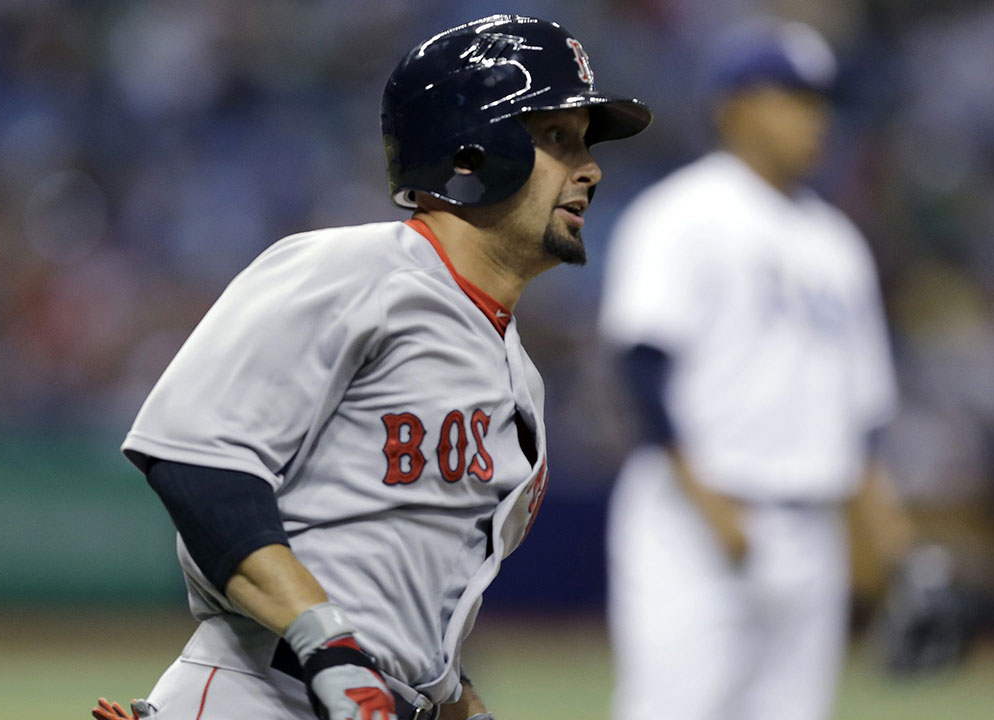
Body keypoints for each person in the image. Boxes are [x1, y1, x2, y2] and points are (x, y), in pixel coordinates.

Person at [92, 15, 650, 720]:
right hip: (262, 692)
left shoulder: (519, 378)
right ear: (470, 153)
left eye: (585, 144)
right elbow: (200, 466)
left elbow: (406, 611)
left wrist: (458, 702)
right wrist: (328, 646)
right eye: (557, 138)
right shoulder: (354, 269)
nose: (590, 169)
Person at [599, 20, 914, 720]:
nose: (814, 118)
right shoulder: (683, 213)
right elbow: (641, 364)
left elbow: (861, 413)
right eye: (793, 98)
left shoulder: (838, 243)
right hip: (697, 513)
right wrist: (706, 497)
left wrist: (894, 546)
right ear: (734, 107)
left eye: (820, 102)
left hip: (811, 524)